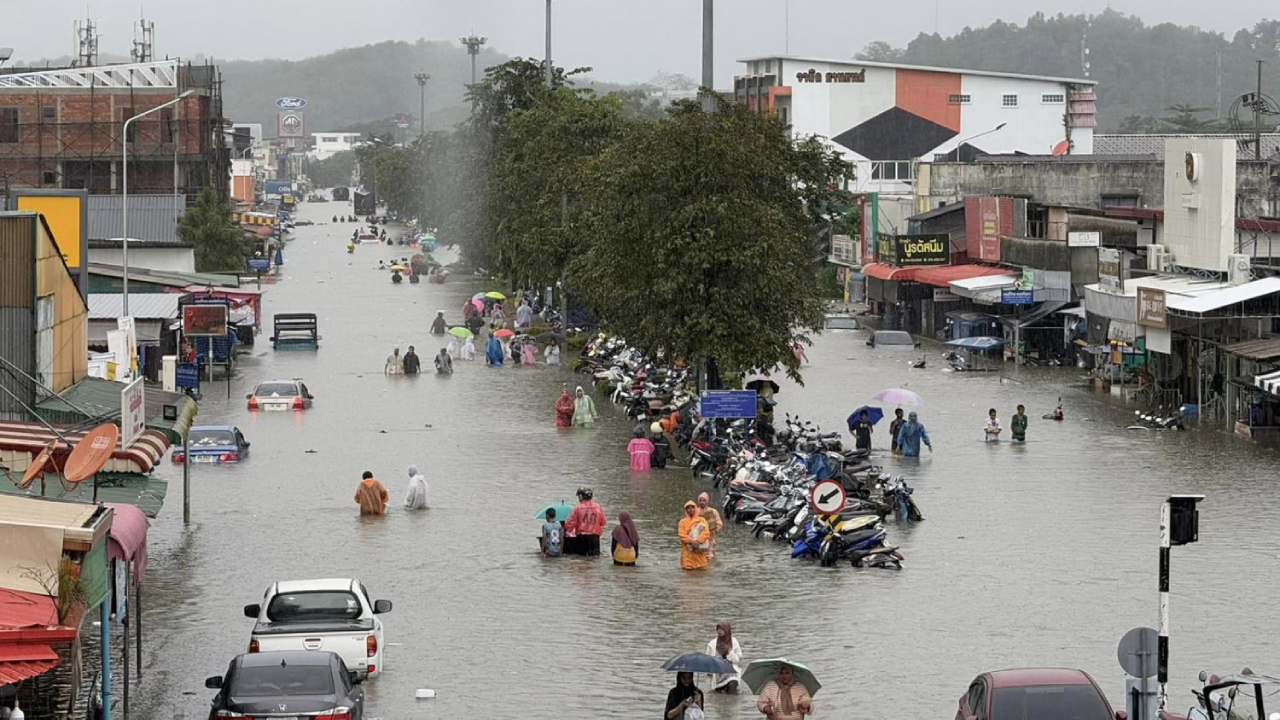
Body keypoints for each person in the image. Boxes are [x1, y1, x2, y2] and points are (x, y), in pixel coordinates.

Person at [564, 487, 607, 556]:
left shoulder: (577, 508)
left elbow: (569, 523)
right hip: (595, 538)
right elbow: (603, 522)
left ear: (581, 496)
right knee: (594, 559)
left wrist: (569, 530)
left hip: (582, 538)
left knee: (582, 560)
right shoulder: (598, 507)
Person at [705, 621, 742, 693]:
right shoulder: (712, 644)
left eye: (722, 629)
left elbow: (738, 660)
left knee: (732, 684)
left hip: (731, 672)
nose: (719, 631)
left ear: (727, 630)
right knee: (720, 695)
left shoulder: (734, 642)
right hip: (718, 675)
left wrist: (729, 652)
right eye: (718, 629)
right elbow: (707, 660)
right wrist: (709, 672)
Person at [679, 501, 710, 571]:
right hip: (687, 554)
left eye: (692, 507)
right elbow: (681, 535)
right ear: (686, 510)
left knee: (701, 574)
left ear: (695, 508)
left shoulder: (702, 520)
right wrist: (691, 541)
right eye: (688, 508)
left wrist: (698, 541)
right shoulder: (682, 522)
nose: (691, 510)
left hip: (699, 553)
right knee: (687, 575)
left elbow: (706, 532)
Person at [696, 492, 724, 559]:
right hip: (698, 537)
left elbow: (719, 524)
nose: (702, 502)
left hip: (711, 537)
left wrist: (715, 530)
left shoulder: (713, 511)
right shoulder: (695, 511)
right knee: (698, 555)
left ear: (707, 501)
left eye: (704, 500)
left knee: (710, 555)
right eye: (700, 500)